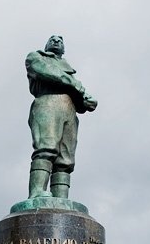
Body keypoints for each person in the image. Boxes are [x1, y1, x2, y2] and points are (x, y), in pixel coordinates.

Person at [25, 35, 97, 199]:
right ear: (46, 44)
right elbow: (49, 73)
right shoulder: (36, 57)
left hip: (69, 109)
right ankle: (36, 192)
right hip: (48, 103)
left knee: (66, 159)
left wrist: (86, 100)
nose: (57, 41)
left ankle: (61, 198)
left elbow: (81, 104)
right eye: (52, 39)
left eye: (60, 40)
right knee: (46, 148)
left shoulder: (69, 70)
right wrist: (78, 86)